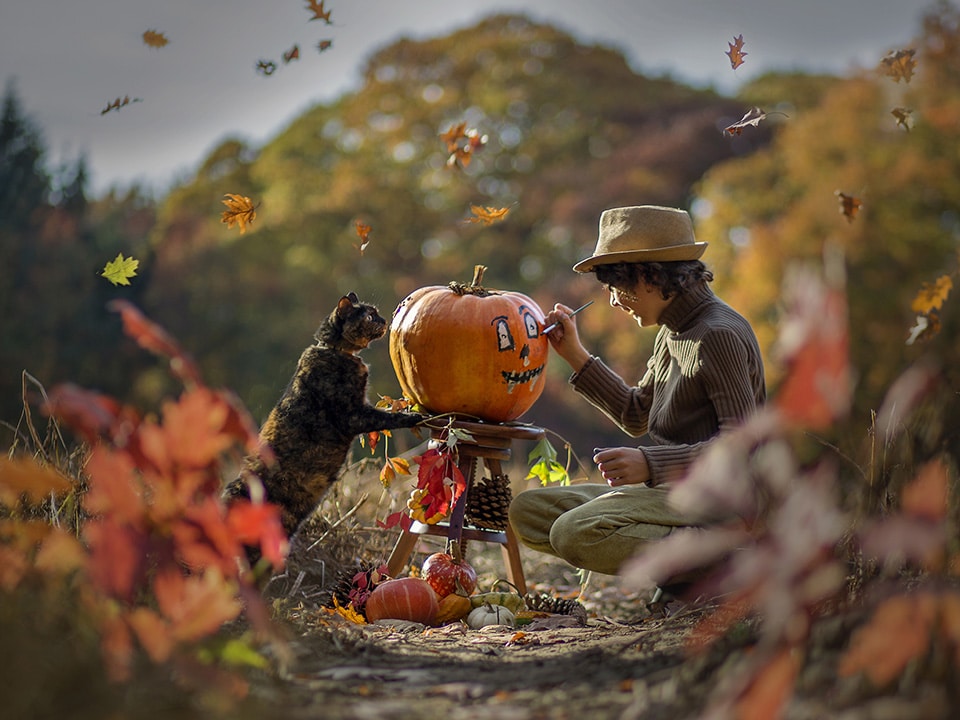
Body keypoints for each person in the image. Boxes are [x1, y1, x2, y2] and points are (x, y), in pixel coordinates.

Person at [509, 205, 765, 577]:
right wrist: (575, 355)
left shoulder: (717, 335)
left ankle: (729, 565)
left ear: (649, 275)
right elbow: (637, 413)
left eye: (617, 286)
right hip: (672, 497)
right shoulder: (672, 331)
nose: (613, 300)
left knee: (572, 532)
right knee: (528, 513)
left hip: (722, 503)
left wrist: (650, 464)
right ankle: (684, 574)